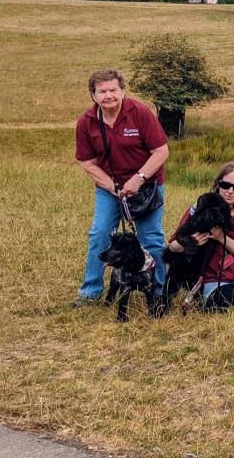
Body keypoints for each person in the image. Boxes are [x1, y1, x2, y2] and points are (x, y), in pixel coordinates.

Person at [72, 68, 169, 308]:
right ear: (93, 96)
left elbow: (161, 151)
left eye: (113, 90)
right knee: (100, 234)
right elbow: (87, 163)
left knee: (151, 238)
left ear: (123, 91)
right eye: (102, 91)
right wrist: (113, 187)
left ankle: (159, 291)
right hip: (109, 187)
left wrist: (138, 179)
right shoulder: (87, 123)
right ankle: (91, 292)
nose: (108, 95)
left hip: (146, 187)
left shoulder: (140, 113)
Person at [167, 161, 234, 313]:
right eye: (225, 185)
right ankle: (204, 294)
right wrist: (192, 241)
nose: (230, 191)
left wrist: (220, 237)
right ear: (218, 184)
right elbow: (172, 246)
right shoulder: (200, 208)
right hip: (212, 277)